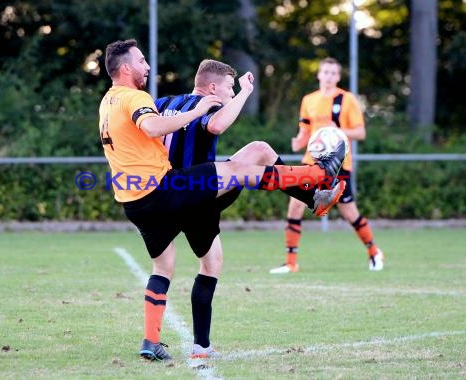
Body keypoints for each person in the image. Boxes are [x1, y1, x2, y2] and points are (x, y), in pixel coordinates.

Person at [99, 39, 346, 361]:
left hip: (143, 199)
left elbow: (150, 132)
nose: (147, 66)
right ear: (213, 88)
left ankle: (168, 343)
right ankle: (317, 178)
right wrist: (241, 92)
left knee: (176, 264)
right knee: (247, 165)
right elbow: (212, 124)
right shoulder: (182, 101)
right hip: (186, 191)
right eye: (228, 88)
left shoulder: (145, 100)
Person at [269, 57, 385, 275]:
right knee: (295, 204)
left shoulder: (347, 99)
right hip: (310, 163)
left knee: (349, 212)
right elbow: (305, 131)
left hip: (338, 165)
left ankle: (374, 251)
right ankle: (291, 263)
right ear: (319, 75)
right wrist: (299, 141)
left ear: (338, 77)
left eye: (334, 73)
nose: (329, 76)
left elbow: (360, 132)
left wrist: (338, 130)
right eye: (326, 72)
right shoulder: (308, 100)